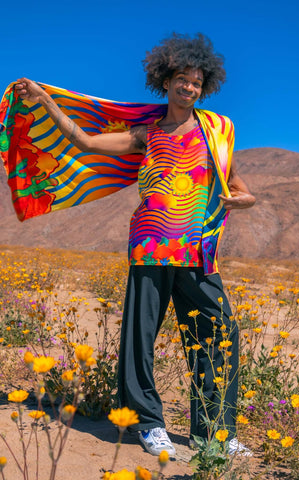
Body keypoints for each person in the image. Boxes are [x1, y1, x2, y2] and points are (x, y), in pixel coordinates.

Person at [15, 33, 255, 457]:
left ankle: (216, 432)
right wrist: (43, 100)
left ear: (205, 87)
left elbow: (241, 188)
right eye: (182, 79)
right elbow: (85, 142)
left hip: (199, 250)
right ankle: (148, 424)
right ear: (165, 81)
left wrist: (243, 200)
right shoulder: (146, 134)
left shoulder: (217, 132)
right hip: (151, 245)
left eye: (197, 82)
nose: (189, 87)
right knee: (140, 339)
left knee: (220, 334)